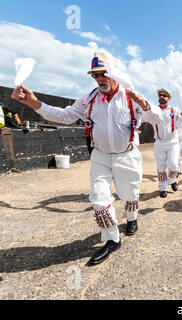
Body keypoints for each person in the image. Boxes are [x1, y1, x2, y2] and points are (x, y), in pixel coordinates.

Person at [10, 51, 160, 265]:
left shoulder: (131, 96)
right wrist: (34, 103)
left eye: (103, 74)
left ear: (114, 73)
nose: (99, 80)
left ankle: (132, 218)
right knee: (99, 200)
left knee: (130, 194)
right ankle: (112, 239)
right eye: (95, 76)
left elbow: (157, 119)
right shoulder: (89, 99)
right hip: (100, 157)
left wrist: (145, 105)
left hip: (127, 156)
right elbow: (64, 116)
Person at [143, 88, 182, 198]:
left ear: (169, 98)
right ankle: (163, 188)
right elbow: (143, 117)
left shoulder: (174, 110)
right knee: (161, 167)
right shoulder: (154, 110)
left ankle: (172, 180)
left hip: (172, 142)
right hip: (159, 143)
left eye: (164, 95)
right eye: (160, 95)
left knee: (173, 165)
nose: (162, 97)